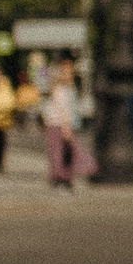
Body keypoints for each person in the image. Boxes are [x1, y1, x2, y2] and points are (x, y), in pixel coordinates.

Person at [41, 60, 84, 189]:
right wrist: (66, 127)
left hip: (64, 124)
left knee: (66, 152)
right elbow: (62, 109)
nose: (70, 75)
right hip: (58, 124)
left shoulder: (69, 88)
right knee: (59, 152)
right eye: (66, 73)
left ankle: (63, 177)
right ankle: (60, 178)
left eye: (71, 72)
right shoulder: (60, 89)